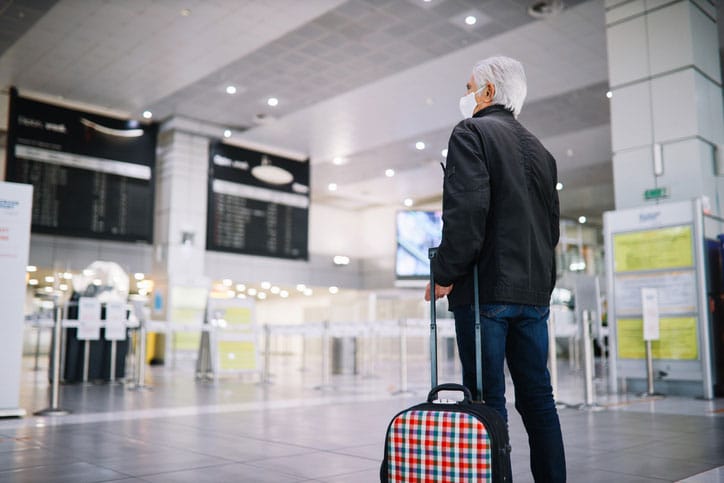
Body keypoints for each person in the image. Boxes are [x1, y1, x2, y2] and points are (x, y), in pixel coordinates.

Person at [425, 56, 566, 482]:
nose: (465, 94)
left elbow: (467, 214)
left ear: (487, 93)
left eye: (469, 86)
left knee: (487, 402)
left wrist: (443, 275)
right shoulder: (542, 152)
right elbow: (552, 228)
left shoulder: (472, 133)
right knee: (539, 399)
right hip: (533, 296)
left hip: (485, 294)